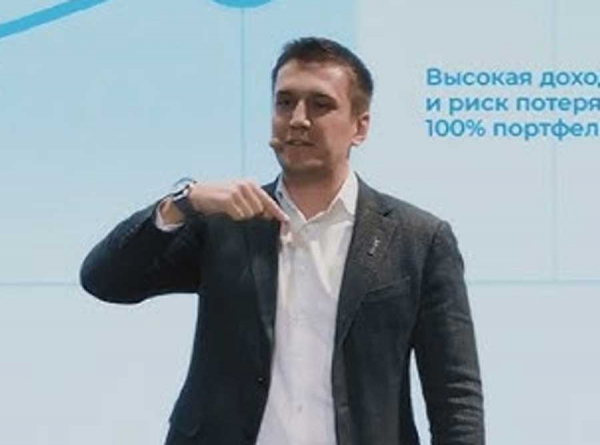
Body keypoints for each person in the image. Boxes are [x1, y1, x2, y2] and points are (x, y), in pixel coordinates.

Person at [80, 37, 485, 445]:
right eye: (285, 103)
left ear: (360, 126)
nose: (298, 119)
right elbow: (105, 280)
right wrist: (182, 203)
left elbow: (455, 397)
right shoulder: (224, 222)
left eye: (320, 105)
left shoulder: (418, 239)